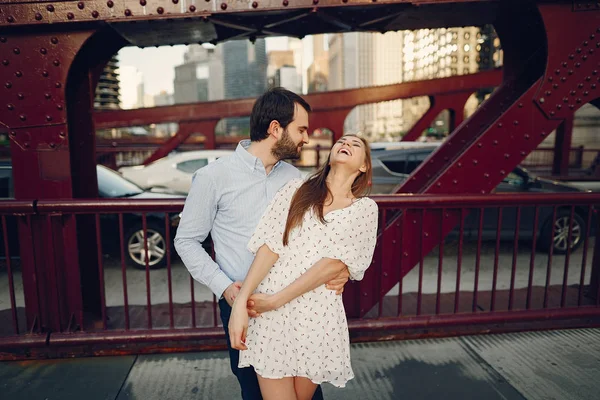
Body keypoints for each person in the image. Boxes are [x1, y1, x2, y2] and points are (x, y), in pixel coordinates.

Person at [174, 87, 350, 400]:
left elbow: (314, 239)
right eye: (301, 129)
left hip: (294, 303)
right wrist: (226, 288)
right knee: (256, 393)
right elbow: (186, 241)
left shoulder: (294, 179)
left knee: (309, 394)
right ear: (274, 129)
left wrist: (339, 271)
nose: (305, 138)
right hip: (246, 306)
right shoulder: (213, 177)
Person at [228, 134, 379, 400]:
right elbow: (269, 247)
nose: (345, 144)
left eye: (355, 145)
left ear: (364, 167)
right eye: (342, 141)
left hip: (317, 316)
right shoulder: (295, 190)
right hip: (270, 316)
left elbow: (331, 265)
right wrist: (242, 302)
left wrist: (276, 301)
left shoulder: (364, 210)